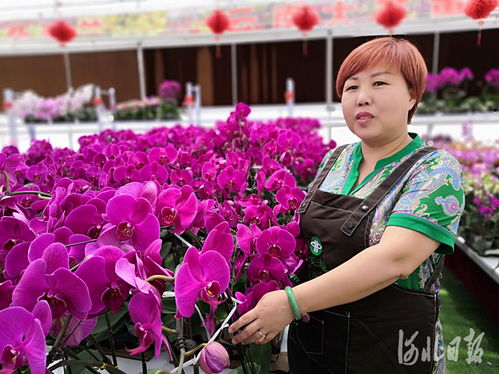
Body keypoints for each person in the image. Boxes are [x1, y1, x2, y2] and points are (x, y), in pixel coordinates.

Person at [228, 37, 465, 374]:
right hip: (314, 347)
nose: (362, 97)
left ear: (412, 95)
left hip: (387, 352)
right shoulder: (335, 160)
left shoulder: (435, 170)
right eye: (351, 87)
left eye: (379, 83)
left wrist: (292, 302)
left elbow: (393, 259)